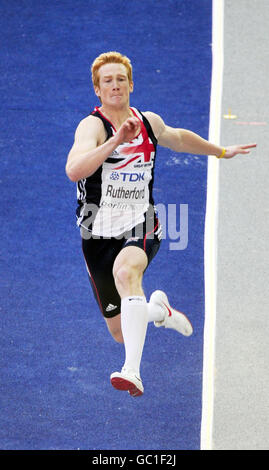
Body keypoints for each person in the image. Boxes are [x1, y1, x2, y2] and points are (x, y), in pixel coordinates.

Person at [65, 51, 256, 397]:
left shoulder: (148, 121)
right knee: (121, 331)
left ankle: (131, 371)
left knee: (127, 274)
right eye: (107, 80)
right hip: (96, 232)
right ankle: (159, 311)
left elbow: (178, 137)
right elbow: (74, 171)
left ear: (131, 84)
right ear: (97, 89)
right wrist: (115, 142)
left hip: (142, 222)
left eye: (121, 79)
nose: (115, 85)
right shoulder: (92, 127)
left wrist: (221, 152)